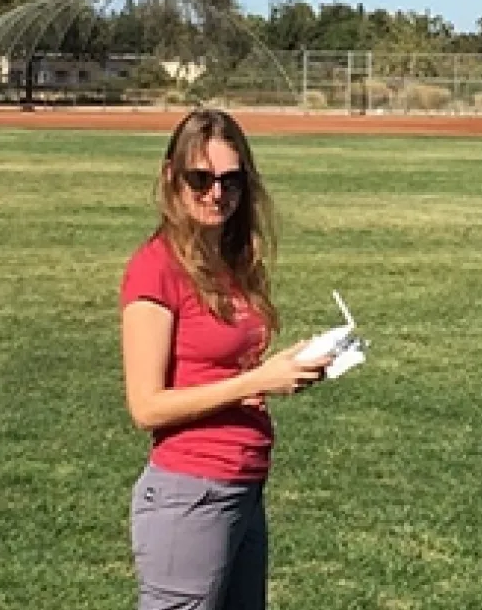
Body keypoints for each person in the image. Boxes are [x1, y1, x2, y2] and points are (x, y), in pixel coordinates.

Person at [118, 108, 332, 610]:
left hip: (243, 486)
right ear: (171, 177)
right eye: (202, 178)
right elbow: (146, 407)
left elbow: (225, 369)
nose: (218, 193)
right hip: (190, 495)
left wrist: (288, 367)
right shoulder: (155, 271)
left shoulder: (227, 263)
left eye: (232, 180)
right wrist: (257, 380)